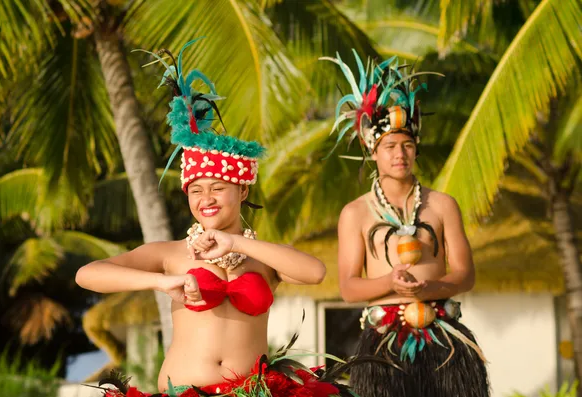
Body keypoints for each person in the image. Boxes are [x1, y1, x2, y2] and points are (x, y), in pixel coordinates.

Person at [76, 38, 356, 397]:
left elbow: (315, 272)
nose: (205, 199)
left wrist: (236, 243)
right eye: (196, 190)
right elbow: (88, 275)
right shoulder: (170, 253)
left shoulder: (263, 257)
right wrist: (163, 283)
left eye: (218, 188)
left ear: (243, 191)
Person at [321, 50, 490, 397]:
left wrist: (427, 291)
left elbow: (465, 275)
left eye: (408, 145)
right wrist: (390, 283)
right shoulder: (355, 213)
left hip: (444, 338)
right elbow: (349, 288)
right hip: (384, 344)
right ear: (373, 151)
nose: (400, 154)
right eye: (390, 146)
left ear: (416, 149)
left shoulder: (442, 205)